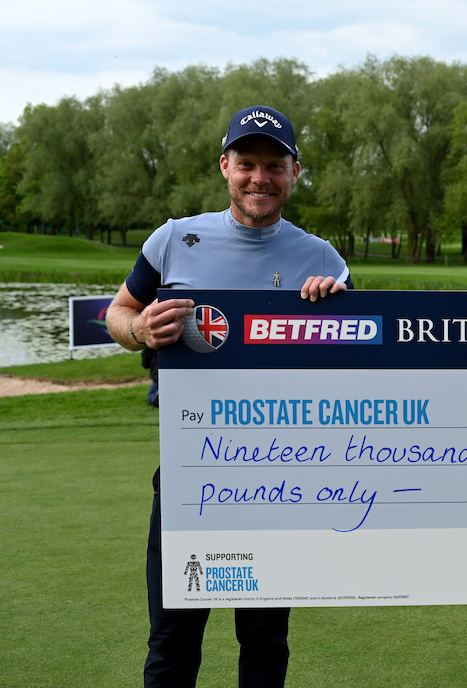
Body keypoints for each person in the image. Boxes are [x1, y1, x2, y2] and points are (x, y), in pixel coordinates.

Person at [106, 105, 352, 688]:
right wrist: (138, 331)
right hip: (192, 473)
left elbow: (349, 367)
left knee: (265, 642)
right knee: (172, 641)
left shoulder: (322, 259)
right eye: (247, 164)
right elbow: (118, 311)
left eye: (274, 165)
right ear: (225, 166)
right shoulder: (172, 239)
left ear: (295, 172)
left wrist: (336, 312)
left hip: (279, 480)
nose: (259, 178)